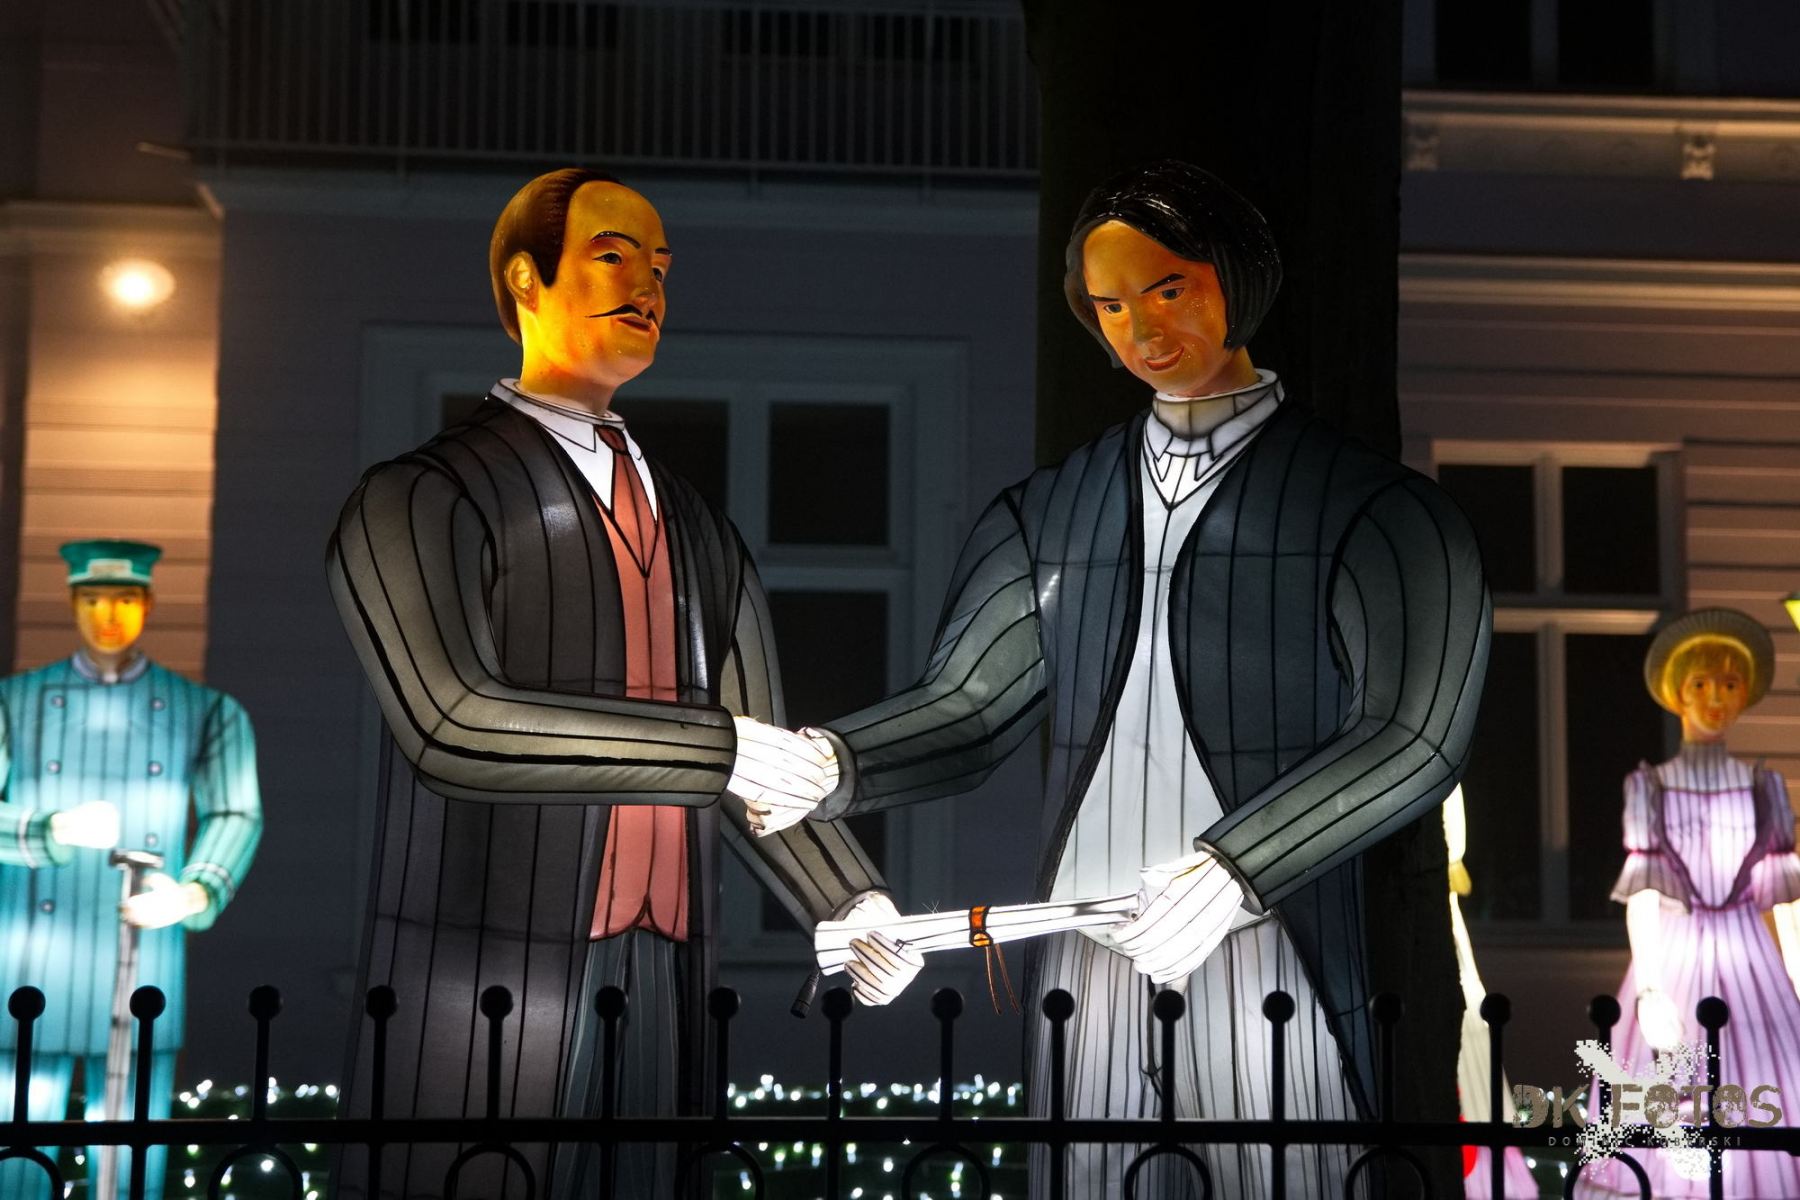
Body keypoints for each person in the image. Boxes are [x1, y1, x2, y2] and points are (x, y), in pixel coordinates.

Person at [748, 160, 1492, 1198]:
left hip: (1273, 950)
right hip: (1084, 956)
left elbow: (1413, 736)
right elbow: (970, 706)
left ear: (1238, 280)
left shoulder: (1374, 509)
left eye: (1167, 289)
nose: (1140, 328)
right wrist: (833, 762)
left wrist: (1234, 871)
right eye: (1109, 305)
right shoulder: (1051, 508)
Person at [326, 168, 916, 1200]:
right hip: (485, 971)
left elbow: (763, 748)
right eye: (613, 256)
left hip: (667, 972)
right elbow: (452, 724)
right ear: (526, 279)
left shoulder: (701, 527)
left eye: (662, 268)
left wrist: (851, 898)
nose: (648, 286)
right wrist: (718, 750)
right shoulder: (419, 497)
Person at [0, 539, 263, 1200]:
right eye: (93, 599)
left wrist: (194, 891)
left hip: (141, 958)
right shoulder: (12, 703)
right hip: (30, 958)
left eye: (124, 599)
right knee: (16, 1154)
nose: (108, 616)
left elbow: (235, 812)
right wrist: (48, 829)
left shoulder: (206, 711)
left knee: (130, 1159)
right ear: (72, 604)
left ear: (147, 604)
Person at [1583, 608, 1800, 1199]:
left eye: (1729, 684)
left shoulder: (1763, 789)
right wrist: (1651, 987)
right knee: (1669, 1092)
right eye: (1702, 684)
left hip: (1751, 963)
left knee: (1768, 1086)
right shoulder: (1649, 788)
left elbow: (1784, 899)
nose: (1716, 699)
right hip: (1674, 958)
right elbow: (1645, 891)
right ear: (1678, 692)